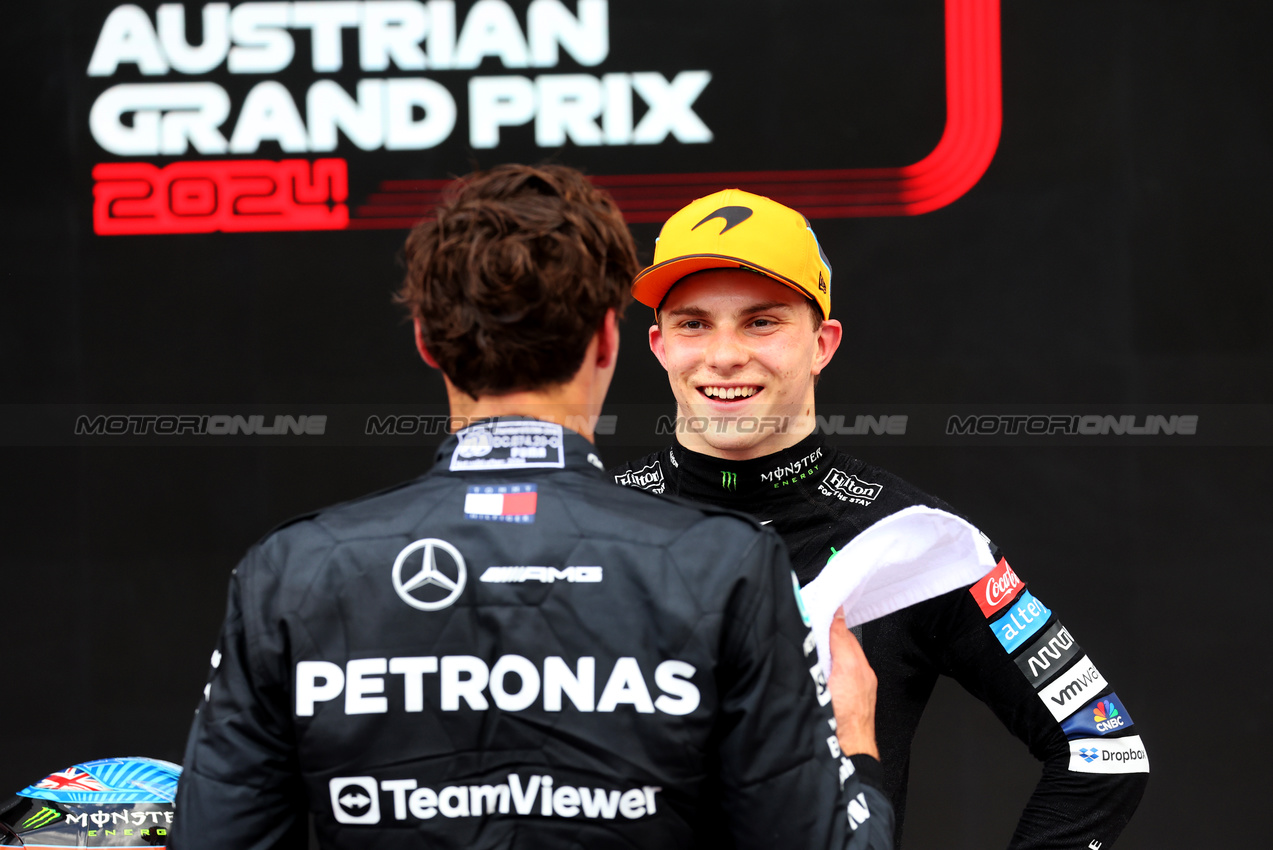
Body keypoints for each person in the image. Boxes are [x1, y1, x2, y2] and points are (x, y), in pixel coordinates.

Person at [170, 165, 894, 850]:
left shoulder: (290, 572)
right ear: (609, 341)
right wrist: (855, 743)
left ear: (426, 341)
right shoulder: (726, 566)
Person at [610, 188, 1149, 849]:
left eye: (761, 322)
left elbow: (1103, 747)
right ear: (659, 345)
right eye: (694, 324)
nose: (723, 355)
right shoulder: (586, 526)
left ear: (822, 344)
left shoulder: (912, 540)